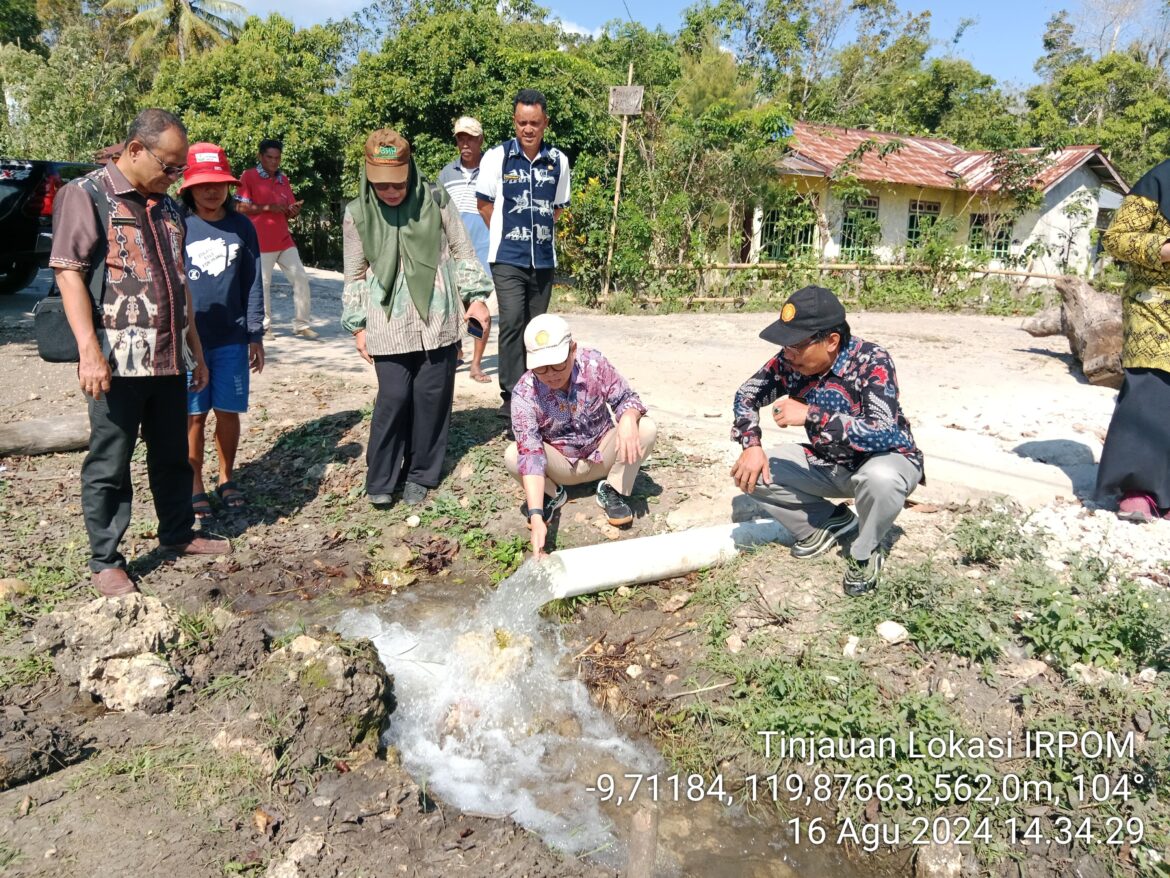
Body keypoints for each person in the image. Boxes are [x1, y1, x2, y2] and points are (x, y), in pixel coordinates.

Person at [50, 108, 231, 598]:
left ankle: (177, 533)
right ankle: (106, 559)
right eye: (169, 167)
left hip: (168, 354)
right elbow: (67, 271)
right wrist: (90, 350)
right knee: (111, 460)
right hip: (116, 357)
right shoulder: (86, 195)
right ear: (134, 150)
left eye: (180, 170)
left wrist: (194, 345)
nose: (176, 178)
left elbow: (179, 279)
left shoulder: (169, 207)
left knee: (173, 453)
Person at [730, 286, 923, 596]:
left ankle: (865, 551)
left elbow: (882, 431)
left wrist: (812, 414)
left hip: (884, 460)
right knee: (753, 472)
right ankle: (828, 524)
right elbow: (746, 395)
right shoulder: (790, 362)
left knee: (880, 478)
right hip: (830, 463)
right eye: (785, 344)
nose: (787, 353)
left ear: (832, 341)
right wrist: (751, 444)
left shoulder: (871, 360)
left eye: (796, 345)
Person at [341, 129, 492, 508]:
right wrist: (358, 325)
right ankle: (382, 477)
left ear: (411, 171)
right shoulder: (357, 213)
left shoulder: (437, 199)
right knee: (392, 396)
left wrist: (475, 299)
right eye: (382, 186)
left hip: (439, 318)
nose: (391, 192)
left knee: (431, 396)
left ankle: (421, 473)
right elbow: (355, 273)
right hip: (387, 321)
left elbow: (461, 249)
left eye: (399, 183)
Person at [505, 314, 657, 556]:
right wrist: (535, 516)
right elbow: (530, 453)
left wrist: (628, 417)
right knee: (514, 454)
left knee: (645, 428)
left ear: (572, 350)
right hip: (561, 467)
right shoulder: (524, 393)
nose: (551, 374)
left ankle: (613, 489)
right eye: (541, 368)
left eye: (558, 364)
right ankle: (553, 495)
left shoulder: (594, 364)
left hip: (602, 455)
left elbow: (627, 399)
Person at [178, 142, 265, 518]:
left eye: (218, 183)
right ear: (187, 187)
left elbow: (253, 281)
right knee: (194, 415)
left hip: (232, 337)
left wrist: (255, 333)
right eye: (202, 184)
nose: (211, 191)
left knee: (228, 411)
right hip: (188, 343)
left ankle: (226, 476)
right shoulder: (178, 225)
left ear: (229, 185)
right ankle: (193, 480)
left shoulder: (241, 226)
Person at [476, 89, 571, 422]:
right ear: (514, 122)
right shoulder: (496, 158)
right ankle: (511, 396)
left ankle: (538, 392)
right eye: (521, 123)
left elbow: (557, 209)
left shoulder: (558, 160)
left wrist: (537, 233)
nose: (527, 129)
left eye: (534, 123)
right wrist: (507, 233)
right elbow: (484, 204)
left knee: (537, 327)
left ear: (545, 123)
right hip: (507, 257)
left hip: (543, 258)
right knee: (513, 321)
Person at [1096, 159, 1170, 521]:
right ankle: (1138, 488)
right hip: (1155, 304)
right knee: (1151, 391)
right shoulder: (1159, 178)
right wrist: (1165, 248)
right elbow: (1118, 237)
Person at [236, 138, 316, 339]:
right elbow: (239, 207)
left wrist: (293, 210)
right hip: (260, 241)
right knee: (262, 285)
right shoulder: (249, 176)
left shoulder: (283, 179)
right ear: (260, 156)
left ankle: (302, 325)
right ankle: (264, 327)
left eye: (277, 158)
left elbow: (287, 210)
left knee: (301, 278)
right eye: (269, 157)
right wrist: (267, 207)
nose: (274, 161)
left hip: (283, 240)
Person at [438, 115, 494, 384]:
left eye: (470, 137)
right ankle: (457, 351)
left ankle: (476, 364)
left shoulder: (492, 170)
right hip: (452, 249)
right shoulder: (446, 174)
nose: (465, 143)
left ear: (481, 140)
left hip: (484, 246)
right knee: (454, 304)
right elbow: (438, 211)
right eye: (461, 138)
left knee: (478, 305)